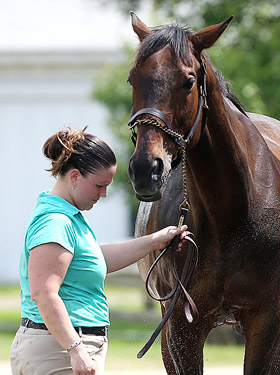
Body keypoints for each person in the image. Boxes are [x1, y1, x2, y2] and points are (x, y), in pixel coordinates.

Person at [10, 127, 188, 375]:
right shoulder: (55, 222)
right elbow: (44, 293)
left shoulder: (69, 218)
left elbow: (96, 260)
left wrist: (156, 241)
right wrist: (76, 349)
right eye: (99, 185)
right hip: (58, 350)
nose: (103, 194)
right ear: (74, 177)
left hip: (60, 346)